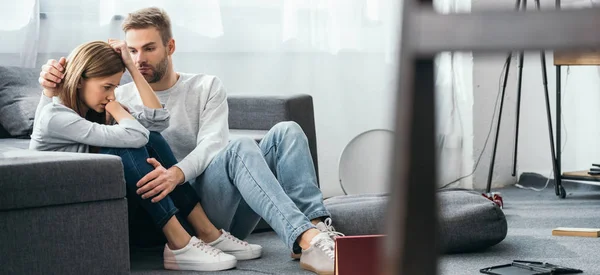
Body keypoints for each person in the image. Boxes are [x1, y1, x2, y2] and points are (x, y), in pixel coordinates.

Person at [39, 7, 342, 275]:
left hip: (209, 197)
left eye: (148, 49)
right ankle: (306, 238)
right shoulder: (116, 95)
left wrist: (177, 174)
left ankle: (315, 231)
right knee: (242, 147)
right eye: (131, 51)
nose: (139, 58)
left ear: (170, 46)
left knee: (286, 130)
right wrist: (50, 86)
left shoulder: (205, 85)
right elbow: (137, 127)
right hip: (176, 208)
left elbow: (213, 144)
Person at [32, 40, 263, 272]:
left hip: (115, 200)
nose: (111, 96)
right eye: (106, 87)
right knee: (126, 145)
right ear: (80, 80)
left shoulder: (92, 111)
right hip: (65, 201)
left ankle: (206, 232)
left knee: (152, 137)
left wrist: (132, 68)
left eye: (114, 88)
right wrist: (119, 112)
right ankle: (179, 244)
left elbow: (158, 121)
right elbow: (135, 136)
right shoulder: (55, 116)